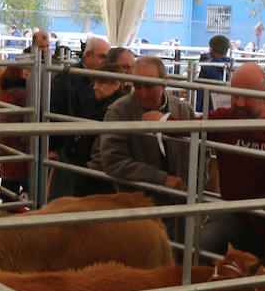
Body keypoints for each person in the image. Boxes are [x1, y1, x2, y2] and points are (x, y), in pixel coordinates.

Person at [199, 62, 265, 257]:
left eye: (248, 97)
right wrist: (160, 120)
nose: (239, 103)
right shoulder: (224, 118)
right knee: (205, 243)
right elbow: (189, 127)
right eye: (235, 95)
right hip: (234, 212)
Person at [92, 55, 193, 196]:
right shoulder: (119, 112)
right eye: (137, 86)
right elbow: (113, 161)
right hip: (138, 202)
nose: (143, 94)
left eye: (149, 86)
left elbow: (202, 150)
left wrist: (196, 182)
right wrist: (162, 179)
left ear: (164, 83)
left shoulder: (184, 110)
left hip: (181, 200)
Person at [47, 35, 110, 198]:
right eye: (102, 57)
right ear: (88, 55)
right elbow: (55, 113)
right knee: (64, 194)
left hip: (86, 149)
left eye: (107, 58)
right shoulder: (67, 78)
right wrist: (54, 148)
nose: (106, 62)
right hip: (67, 148)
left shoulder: (104, 79)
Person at [72, 54, 134, 197]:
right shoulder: (97, 104)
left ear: (116, 84)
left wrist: (87, 171)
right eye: (95, 82)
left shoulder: (115, 110)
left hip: (99, 178)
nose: (95, 87)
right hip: (91, 172)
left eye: (101, 83)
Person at [0, 64, 32, 198]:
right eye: (24, 71)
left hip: (5, 139)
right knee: (24, 173)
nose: (27, 73)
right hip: (22, 142)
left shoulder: (1, 93)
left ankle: (7, 198)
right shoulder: (25, 94)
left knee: (9, 173)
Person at [194, 34, 232, 113]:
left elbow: (200, 92)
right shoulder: (232, 66)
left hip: (208, 109)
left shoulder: (208, 67)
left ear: (212, 48)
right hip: (226, 107)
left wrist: (196, 108)